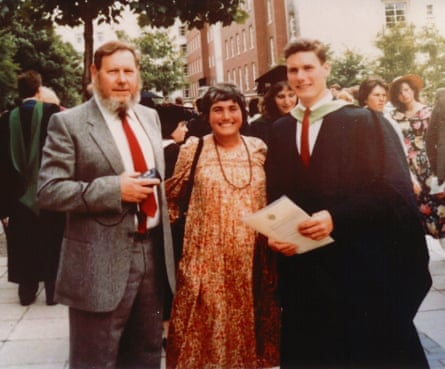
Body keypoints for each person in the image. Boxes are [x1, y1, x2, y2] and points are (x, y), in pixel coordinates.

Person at [266, 37, 432, 369]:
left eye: (308, 67)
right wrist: (275, 233)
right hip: (306, 274)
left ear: (325, 68)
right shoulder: (282, 129)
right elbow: (276, 196)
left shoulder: (364, 122)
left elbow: (391, 189)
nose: (301, 77)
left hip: (357, 268)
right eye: (293, 70)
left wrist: (336, 217)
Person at [37, 41, 176, 369]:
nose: (122, 79)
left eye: (129, 71)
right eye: (113, 71)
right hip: (97, 263)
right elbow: (49, 190)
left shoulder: (150, 117)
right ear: (95, 73)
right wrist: (114, 189)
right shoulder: (68, 123)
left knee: (146, 355)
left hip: (153, 257)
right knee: (95, 359)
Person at [165, 83, 280, 369]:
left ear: (243, 112)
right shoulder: (194, 148)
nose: (226, 116)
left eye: (233, 108)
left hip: (252, 261)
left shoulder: (259, 148)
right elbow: (171, 198)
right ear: (207, 115)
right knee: (206, 339)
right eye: (218, 109)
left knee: (249, 338)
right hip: (207, 263)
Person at [0, 70, 64, 306]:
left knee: (23, 242)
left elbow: (2, 165)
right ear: (39, 90)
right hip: (50, 190)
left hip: (18, 196)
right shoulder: (53, 114)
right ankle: (52, 292)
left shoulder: (6, 119)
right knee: (51, 240)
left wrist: (3, 205)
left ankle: (26, 293)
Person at [389, 74, 445, 250]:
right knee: (418, 210)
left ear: (413, 90)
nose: (404, 95)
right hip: (409, 167)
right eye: (400, 92)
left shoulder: (427, 111)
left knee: (441, 207)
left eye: (407, 90)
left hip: (430, 164)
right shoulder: (394, 116)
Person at [250, 80, 297, 145]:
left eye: (291, 95)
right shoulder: (259, 127)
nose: (287, 101)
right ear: (272, 99)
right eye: (281, 96)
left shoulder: (302, 122)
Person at [156, 103, 193, 179]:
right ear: (171, 126)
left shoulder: (151, 147)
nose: (186, 129)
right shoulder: (174, 151)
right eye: (182, 125)